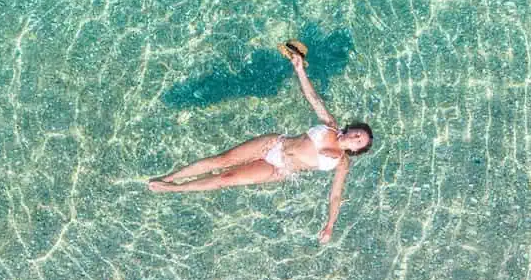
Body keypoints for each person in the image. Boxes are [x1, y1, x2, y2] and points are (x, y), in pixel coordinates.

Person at [148, 41, 373, 243]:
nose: (354, 138)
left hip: (277, 169)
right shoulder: (330, 125)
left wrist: (330, 225)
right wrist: (299, 69)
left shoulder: (341, 162)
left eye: (358, 142)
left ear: (355, 150)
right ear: (351, 128)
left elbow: (335, 195)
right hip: (273, 144)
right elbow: (312, 97)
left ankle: (172, 188)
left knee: (225, 179)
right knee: (221, 161)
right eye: (357, 133)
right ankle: (169, 177)